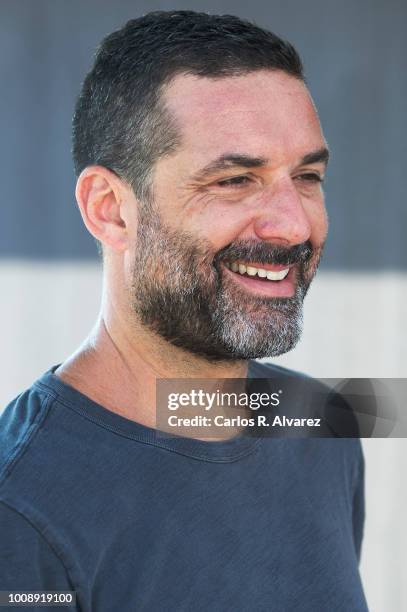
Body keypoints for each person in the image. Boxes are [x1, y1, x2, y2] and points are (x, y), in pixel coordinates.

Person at [0, 10, 368, 611]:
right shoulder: (22, 509)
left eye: (306, 175)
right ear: (110, 210)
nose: (294, 224)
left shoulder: (321, 424)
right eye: (234, 180)